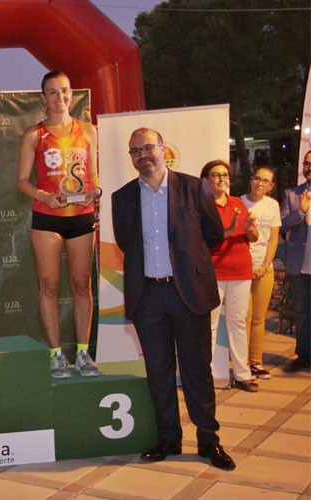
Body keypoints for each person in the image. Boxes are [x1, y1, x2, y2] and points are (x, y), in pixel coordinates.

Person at [111, 128, 235, 471]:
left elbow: (213, 234)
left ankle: (208, 440)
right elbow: (125, 242)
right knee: (159, 372)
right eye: (135, 151)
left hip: (188, 294)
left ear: (163, 149)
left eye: (148, 148)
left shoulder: (194, 188)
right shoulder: (122, 197)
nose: (142, 156)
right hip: (148, 296)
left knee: (197, 371)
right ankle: (168, 439)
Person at [17, 70, 102, 378]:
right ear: (44, 97)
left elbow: (94, 176)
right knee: (49, 285)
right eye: (52, 92)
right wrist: (44, 196)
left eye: (64, 91)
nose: (59, 97)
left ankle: (83, 353)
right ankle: (55, 355)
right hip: (47, 218)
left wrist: (95, 191)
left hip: (81, 216)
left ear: (71, 94)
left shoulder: (88, 130)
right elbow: (22, 181)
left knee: (81, 285)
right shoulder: (34, 134)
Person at [200, 160, 259, 392]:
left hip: (241, 270)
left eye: (225, 175)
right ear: (205, 180)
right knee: (210, 324)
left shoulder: (237, 203)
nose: (222, 179)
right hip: (213, 272)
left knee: (237, 323)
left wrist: (251, 228)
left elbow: (252, 237)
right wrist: (230, 228)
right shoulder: (201, 206)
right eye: (216, 175)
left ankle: (243, 374)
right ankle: (206, 376)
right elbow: (204, 240)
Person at [241, 166, 281, 379]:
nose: (260, 184)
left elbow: (273, 239)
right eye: (257, 179)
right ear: (251, 180)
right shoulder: (239, 202)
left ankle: (256, 362)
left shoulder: (272, 205)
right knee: (244, 318)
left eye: (265, 181)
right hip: (242, 269)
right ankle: (243, 364)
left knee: (258, 318)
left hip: (264, 268)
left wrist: (265, 265)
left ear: (271, 186)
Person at [280, 150, 311, 373]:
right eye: (307, 163)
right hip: (299, 266)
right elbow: (281, 224)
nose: (310, 167)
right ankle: (303, 355)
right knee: (302, 313)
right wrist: (300, 212)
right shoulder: (292, 194)